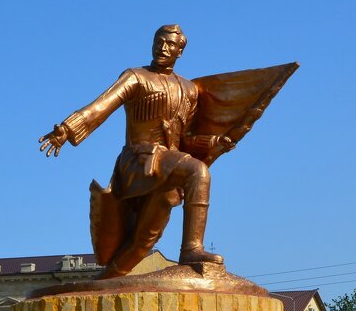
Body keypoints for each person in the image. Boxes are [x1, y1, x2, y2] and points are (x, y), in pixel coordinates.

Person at [38, 25, 232, 278]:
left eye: (170, 44)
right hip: (139, 161)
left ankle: (103, 283)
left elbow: (183, 140)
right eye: (159, 42)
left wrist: (213, 143)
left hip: (169, 169)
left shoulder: (190, 89)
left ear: (180, 51)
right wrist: (67, 128)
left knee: (143, 241)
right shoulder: (136, 77)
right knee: (199, 172)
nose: (163, 48)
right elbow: (102, 106)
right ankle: (191, 248)